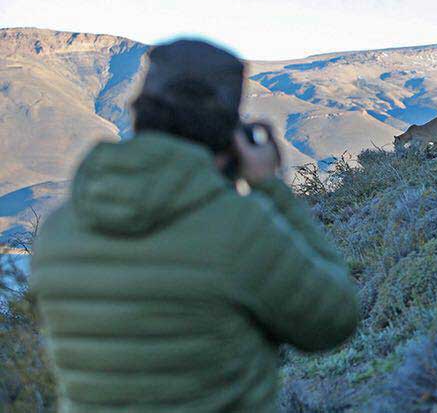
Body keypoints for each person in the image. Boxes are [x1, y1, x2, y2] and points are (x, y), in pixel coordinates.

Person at [30, 38, 359, 412]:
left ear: (139, 116)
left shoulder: (58, 231)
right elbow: (334, 319)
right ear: (228, 136)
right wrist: (271, 188)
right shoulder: (237, 227)